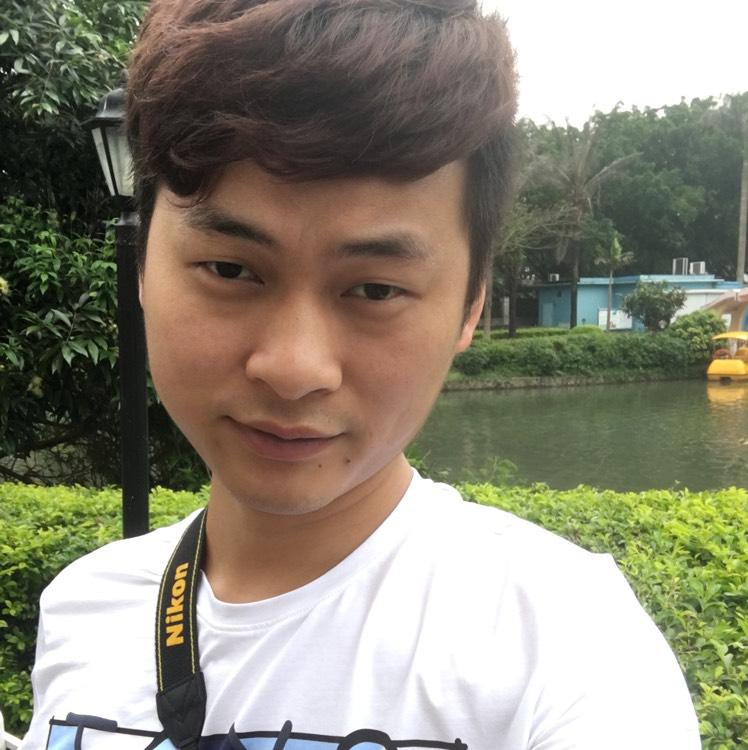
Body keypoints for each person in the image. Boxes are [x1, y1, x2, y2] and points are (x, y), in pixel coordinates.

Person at [21, 1, 700, 748]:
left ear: (469, 306)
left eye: (375, 289)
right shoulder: (84, 608)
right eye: (230, 269)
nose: (293, 369)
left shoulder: (568, 650)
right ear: (143, 267)